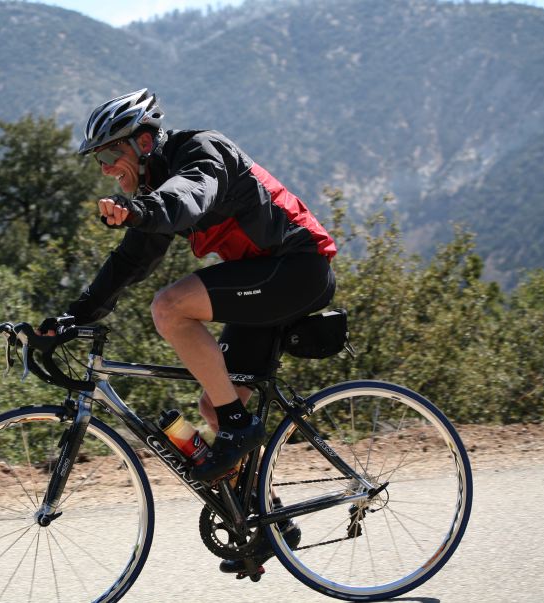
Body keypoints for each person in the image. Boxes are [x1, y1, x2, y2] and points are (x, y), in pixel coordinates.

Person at [40, 88, 335, 570]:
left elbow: (189, 198)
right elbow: (131, 260)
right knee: (215, 403)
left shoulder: (202, 152)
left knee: (171, 307)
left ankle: (241, 430)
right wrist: (75, 317)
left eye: (111, 154)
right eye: (99, 160)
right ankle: (271, 523)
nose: (106, 168)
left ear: (145, 141)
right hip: (264, 279)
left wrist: (139, 211)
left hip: (297, 268)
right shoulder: (154, 192)